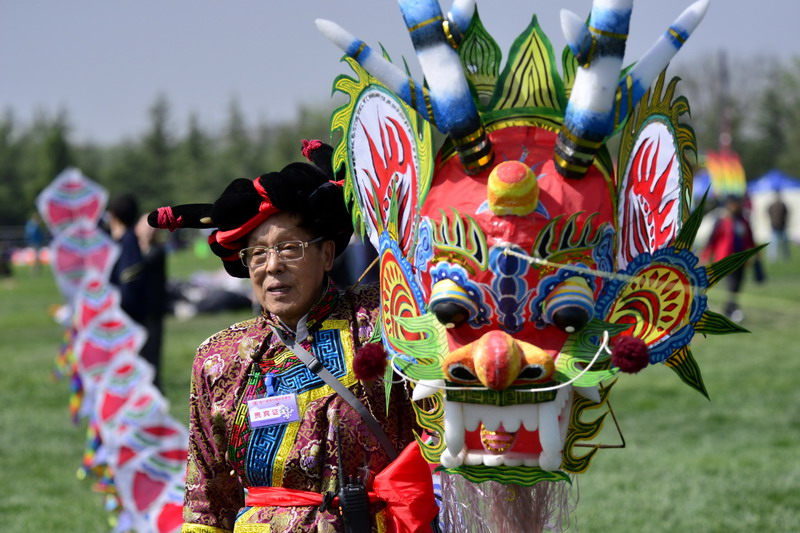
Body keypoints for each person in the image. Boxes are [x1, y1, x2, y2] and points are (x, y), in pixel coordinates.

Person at [148, 140, 437, 532]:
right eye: (258, 254)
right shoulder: (219, 359)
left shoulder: (382, 321)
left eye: (289, 248)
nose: (272, 266)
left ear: (327, 254)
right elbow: (207, 502)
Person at [701, 194, 764, 322]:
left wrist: (755, 253)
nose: (737, 206)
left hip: (741, 259)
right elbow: (712, 240)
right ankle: (733, 309)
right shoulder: (721, 222)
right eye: (734, 204)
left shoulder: (743, 221)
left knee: (737, 286)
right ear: (729, 205)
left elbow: (750, 238)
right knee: (732, 285)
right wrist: (706, 255)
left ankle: (728, 309)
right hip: (726, 260)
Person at [135, 214, 169, 389]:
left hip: (153, 310)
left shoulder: (157, 251)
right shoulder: (132, 249)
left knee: (152, 349)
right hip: (137, 309)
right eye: (146, 226)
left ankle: (153, 385)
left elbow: (144, 264)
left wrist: (145, 243)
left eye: (152, 228)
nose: (149, 231)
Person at [767, 190, 790, 261]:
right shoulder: (774, 205)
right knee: (775, 242)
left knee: (783, 242)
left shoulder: (781, 205)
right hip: (776, 225)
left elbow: (786, 213)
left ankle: (785, 255)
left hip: (780, 225)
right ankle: (773, 256)